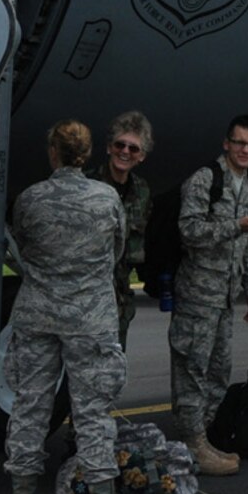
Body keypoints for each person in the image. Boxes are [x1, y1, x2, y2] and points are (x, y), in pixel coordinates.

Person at [4, 120, 141, 494]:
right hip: (89, 316)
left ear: (53, 153)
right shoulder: (106, 198)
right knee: (92, 410)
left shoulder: (30, 199)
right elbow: (117, 250)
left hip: (38, 312)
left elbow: (21, 246)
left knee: (30, 405)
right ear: (87, 154)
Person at [169, 114, 248, 478]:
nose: (245, 150)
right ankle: (192, 443)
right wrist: (233, 226)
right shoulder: (205, 180)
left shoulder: (247, 187)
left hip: (225, 298)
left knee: (219, 371)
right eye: (239, 142)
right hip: (198, 295)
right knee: (192, 370)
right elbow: (189, 230)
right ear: (226, 143)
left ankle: (200, 440)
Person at [85, 109, 154, 347]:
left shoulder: (142, 191)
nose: (125, 152)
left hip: (120, 300)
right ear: (109, 148)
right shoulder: (88, 186)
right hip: (87, 297)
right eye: (119, 145)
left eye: (133, 148)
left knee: (115, 361)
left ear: (141, 156)